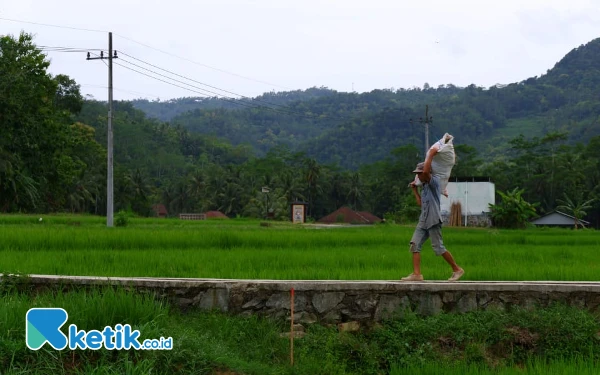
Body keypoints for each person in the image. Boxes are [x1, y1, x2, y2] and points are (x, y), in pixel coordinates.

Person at [401, 158, 464, 282]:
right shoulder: (424, 187)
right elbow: (420, 204)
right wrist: (414, 190)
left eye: (420, 173)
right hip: (423, 219)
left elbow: (426, 173)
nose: (418, 176)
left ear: (427, 172)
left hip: (433, 219)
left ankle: (457, 269)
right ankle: (417, 274)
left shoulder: (434, 182)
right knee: (414, 244)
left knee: (438, 247)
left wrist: (431, 154)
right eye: (417, 174)